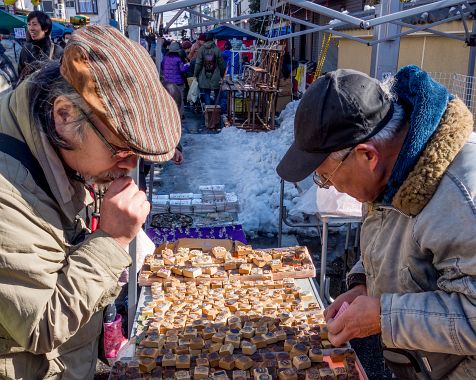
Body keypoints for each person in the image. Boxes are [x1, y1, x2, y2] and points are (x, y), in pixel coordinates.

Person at [0, 25, 181, 379]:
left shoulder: (51, 136)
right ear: (64, 115)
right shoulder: (7, 191)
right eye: (121, 150)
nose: (130, 165)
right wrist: (112, 240)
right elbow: (40, 327)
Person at [277, 66, 476, 379]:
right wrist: (364, 285)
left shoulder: (463, 196)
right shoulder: (391, 167)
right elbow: (390, 242)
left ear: (366, 155)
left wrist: (385, 316)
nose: (329, 186)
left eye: (326, 178)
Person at [17, 10, 63, 82]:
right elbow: (20, 75)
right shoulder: (26, 49)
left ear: (46, 28)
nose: (31, 28)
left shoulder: (57, 50)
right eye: (29, 24)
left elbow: (62, 78)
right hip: (30, 92)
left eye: (34, 24)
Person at [194, 32, 226, 106]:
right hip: (216, 75)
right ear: (213, 39)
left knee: (206, 92)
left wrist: (195, 74)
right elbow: (221, 64)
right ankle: (216, 111)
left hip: (204, 75)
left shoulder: (201, 49)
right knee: (217, 93)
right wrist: (222, 74)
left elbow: (198, 63)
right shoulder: (217, 49)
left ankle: (208, 111)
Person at [161, 41, 189, 117]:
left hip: (167, 82)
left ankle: (169, 114)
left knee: (168, 99)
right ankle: (180, 114)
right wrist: (187, 66)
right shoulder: (178, 59)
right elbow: (182, 69)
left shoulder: (165, 58)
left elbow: (162, 67)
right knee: (180, 98)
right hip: (178, 82)